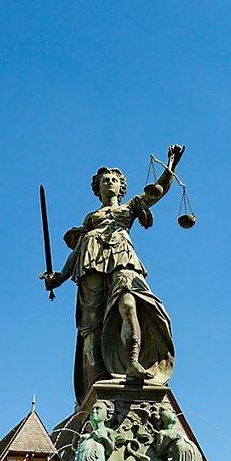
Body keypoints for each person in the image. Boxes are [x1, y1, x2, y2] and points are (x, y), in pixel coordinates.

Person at [44, 145, 184, 405]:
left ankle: (132, 363)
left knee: (130, 303)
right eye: (105, 180)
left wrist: (170, 166)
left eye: (114, 180)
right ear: (98, 189)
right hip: (90, 262)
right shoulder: (91, 219)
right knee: (91, 325)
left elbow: (157, 192)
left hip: (122, 257)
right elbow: (76, 252)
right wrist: (59, 278)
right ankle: (95, 384)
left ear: (122, 187)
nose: (110, 183)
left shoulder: (130, 207)